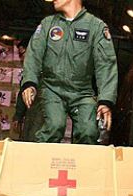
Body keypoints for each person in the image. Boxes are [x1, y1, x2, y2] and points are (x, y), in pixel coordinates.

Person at [20, 0, 118, 144]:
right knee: (54, 126)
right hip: (52, 88)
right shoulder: (48, 24)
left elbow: (106, 65)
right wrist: (29, 82)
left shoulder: (96, 26)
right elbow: (34, 54)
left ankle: (81, 165)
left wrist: (105, 101)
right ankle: (42, 162)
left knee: (89, 131)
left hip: (82, 91)